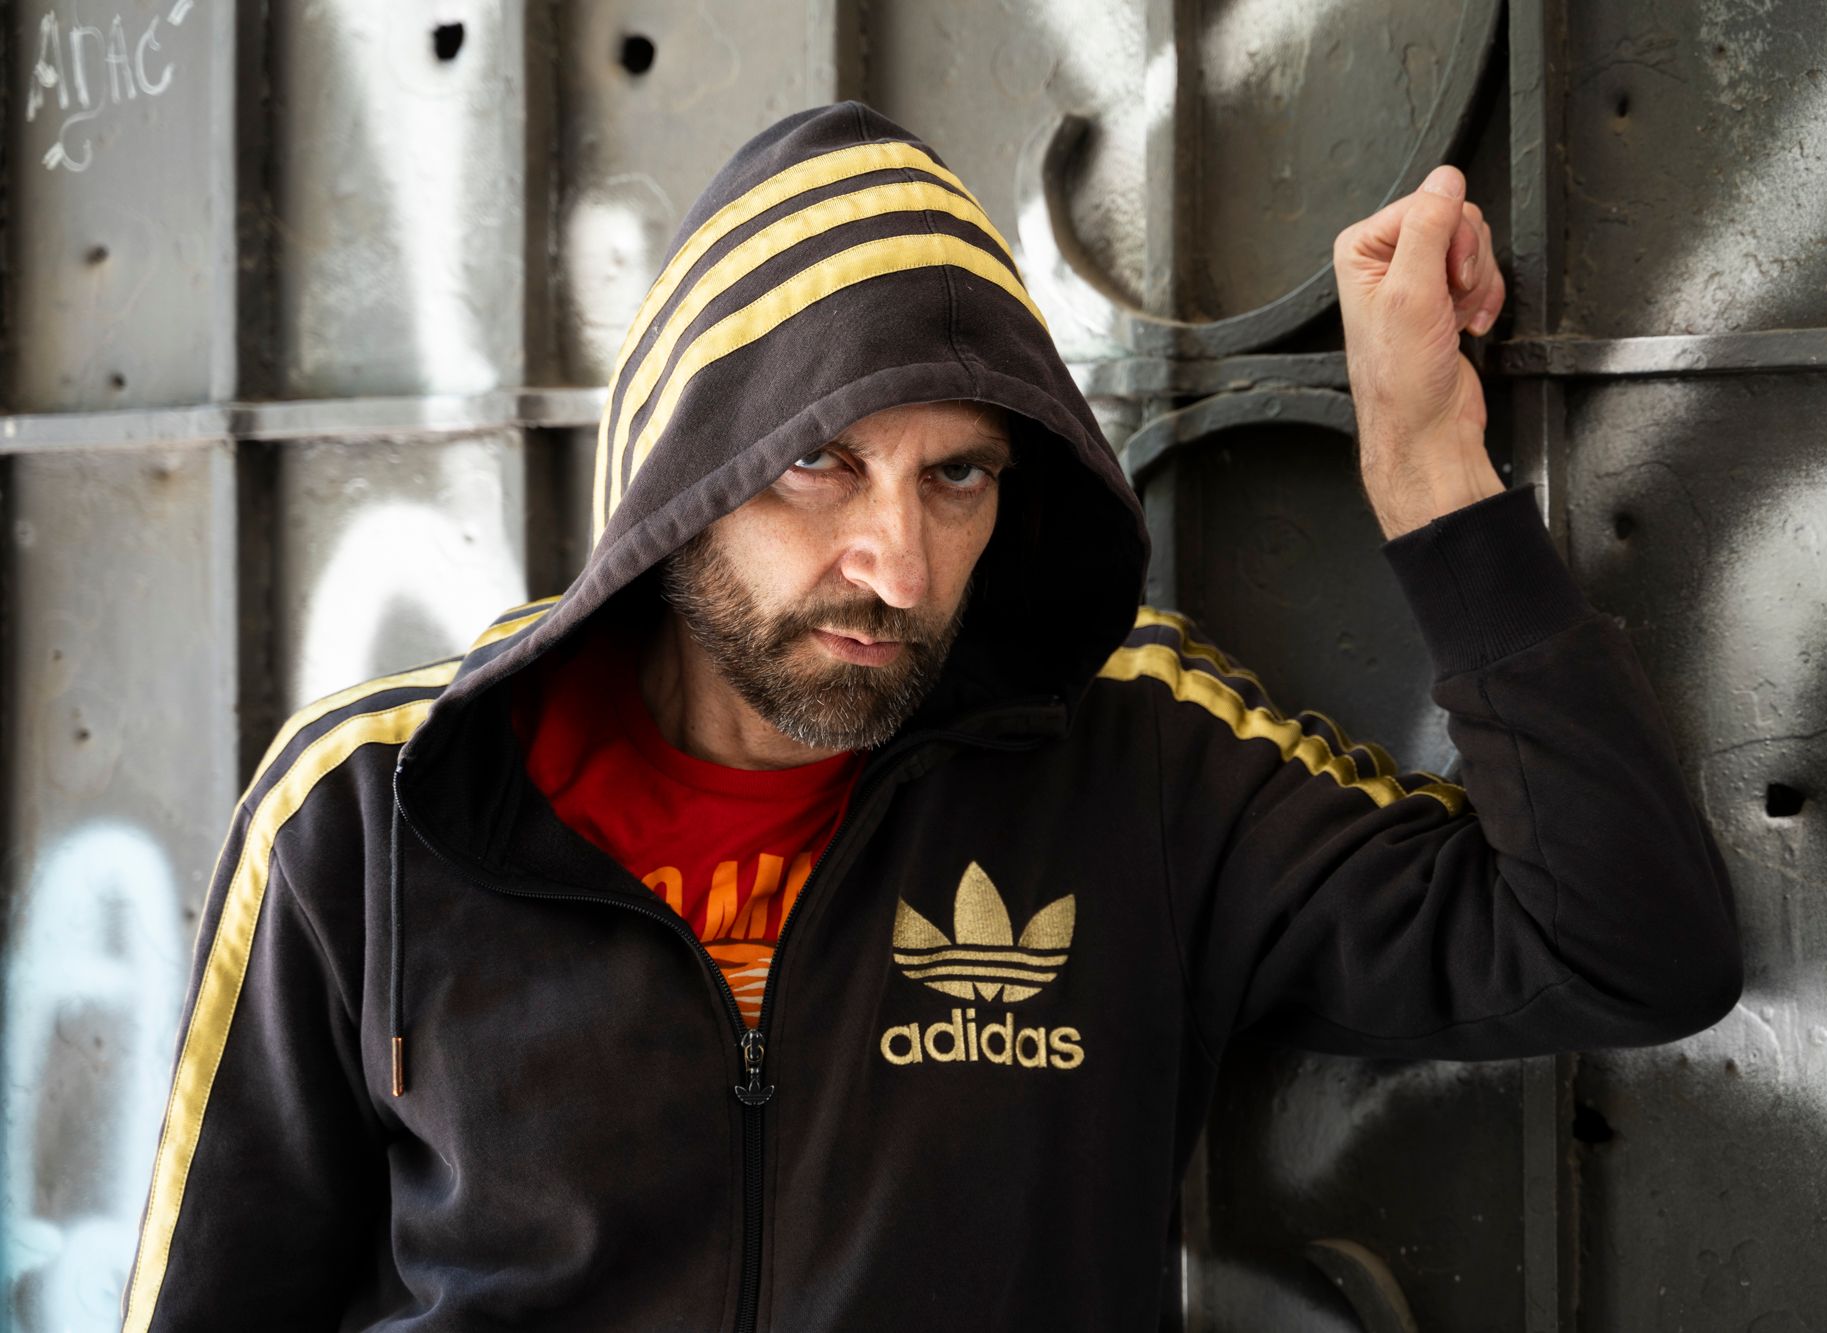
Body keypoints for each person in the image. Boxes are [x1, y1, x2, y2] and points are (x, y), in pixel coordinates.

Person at [119, 101, 1741, 1331]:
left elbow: (1627, 945)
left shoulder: (1135, 758)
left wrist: (1430, 468)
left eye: (956, 474)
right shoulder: (375, 810)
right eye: (818, 462)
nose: (895, 561)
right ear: (682, 475)